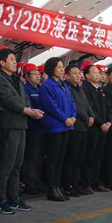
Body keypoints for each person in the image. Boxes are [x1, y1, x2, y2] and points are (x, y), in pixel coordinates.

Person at [0, 49, 44, 213]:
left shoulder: (15, 79)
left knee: (17, 165)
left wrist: (30, 109)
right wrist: (27, 110)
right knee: (6, 165)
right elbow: (7, 100)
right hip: (8, 126)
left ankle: (13, 198)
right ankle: (0, 200)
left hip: (21, 125)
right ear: (2, 63)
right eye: (12, 59)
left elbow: (24, 98)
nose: (15, 62)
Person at [39, 58, 75, 202]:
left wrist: (73, 116)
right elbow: (51, 106)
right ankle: (52, 189)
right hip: (55, 126)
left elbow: (71, 102)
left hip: (66, 125)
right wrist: (65, 118)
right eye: (58, 67)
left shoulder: (63, 84)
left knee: (60, 158)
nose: (61, 69)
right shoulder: (47, 85)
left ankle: (58, 187)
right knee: (52, 159)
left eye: (62, 66)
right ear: (51, 68)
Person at [63, 63, 93, 198]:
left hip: (84, 128)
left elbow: (87, 105)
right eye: (74, 73)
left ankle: (76, 184)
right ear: (67, 76)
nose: (78, 76)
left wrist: (91, 115)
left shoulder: (80, 89)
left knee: (79, 158)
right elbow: (75, 107)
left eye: (79, 73)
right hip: (75, 127)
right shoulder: (67, 88)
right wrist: (86, 117)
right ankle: (67, 185)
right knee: (71, 158)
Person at [82, 63, 112, 193]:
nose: (98, 75)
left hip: (104, 128)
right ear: (87, 75)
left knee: (98, 156)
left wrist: (109, 122)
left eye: (98, 72)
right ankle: (86, 182)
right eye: (94, 72)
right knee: (89, 156)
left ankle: (96, 181)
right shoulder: (85, 89)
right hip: (93, 128)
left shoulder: (100, 89)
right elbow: (91, 109)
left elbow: (108, 108)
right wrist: (101, 123)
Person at [21, 64, 46, 195]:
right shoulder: (26, 89)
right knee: (31, 158)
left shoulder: (39, 88)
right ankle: (30, 185)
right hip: (32, 128)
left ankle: (37, 182)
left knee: (39, 158)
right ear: (26, 76)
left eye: (38, 74)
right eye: (34, 74)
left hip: (42, 129)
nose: (37, 76)